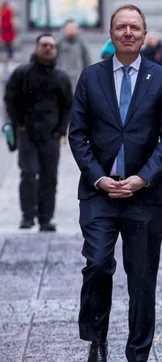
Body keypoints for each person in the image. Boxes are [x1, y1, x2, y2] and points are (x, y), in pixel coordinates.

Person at [68, 4, 162, 362]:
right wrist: (99, 178)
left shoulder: (161, 78)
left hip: (144, 196)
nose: (128, 33)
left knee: (142, 279)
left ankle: (138, 357)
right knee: (98, 265)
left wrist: (143, 178)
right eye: (121, 27)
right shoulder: (91, 77)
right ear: (112, 34)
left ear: (144, 35)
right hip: (99, 192)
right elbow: (77, 135)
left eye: (135, 27)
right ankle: (96, 341)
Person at [3, 33, 72, 231]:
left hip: (51, 135)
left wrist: (61, 130)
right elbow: (10, 99)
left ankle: (45, 219)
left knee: (49, 177)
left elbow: (68, 105)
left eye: (51, 46)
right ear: (36, 47)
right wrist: (17, 124)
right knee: (28, 174)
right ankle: (27, 216)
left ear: (56, 50)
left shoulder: (61, 76)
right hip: (26, 133)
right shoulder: (22, 73)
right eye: (44, 45)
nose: (48, 49)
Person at [56, 19, 91, 88]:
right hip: (61, 78)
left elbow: (87, 62)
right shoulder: (58, 44)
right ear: (64, 29)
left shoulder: (82, 44)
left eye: (74, 28)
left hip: (78, 79)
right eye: (69, 28)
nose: (72, 30)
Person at [0, 1, 15, 68]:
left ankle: (10, 58)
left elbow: (9, 21)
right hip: (5, 31)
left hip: (8, 31)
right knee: (6, 45)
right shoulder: (2, 11)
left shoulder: (8, 11)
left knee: (9, 45)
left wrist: (2, 25)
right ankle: (8, 58)